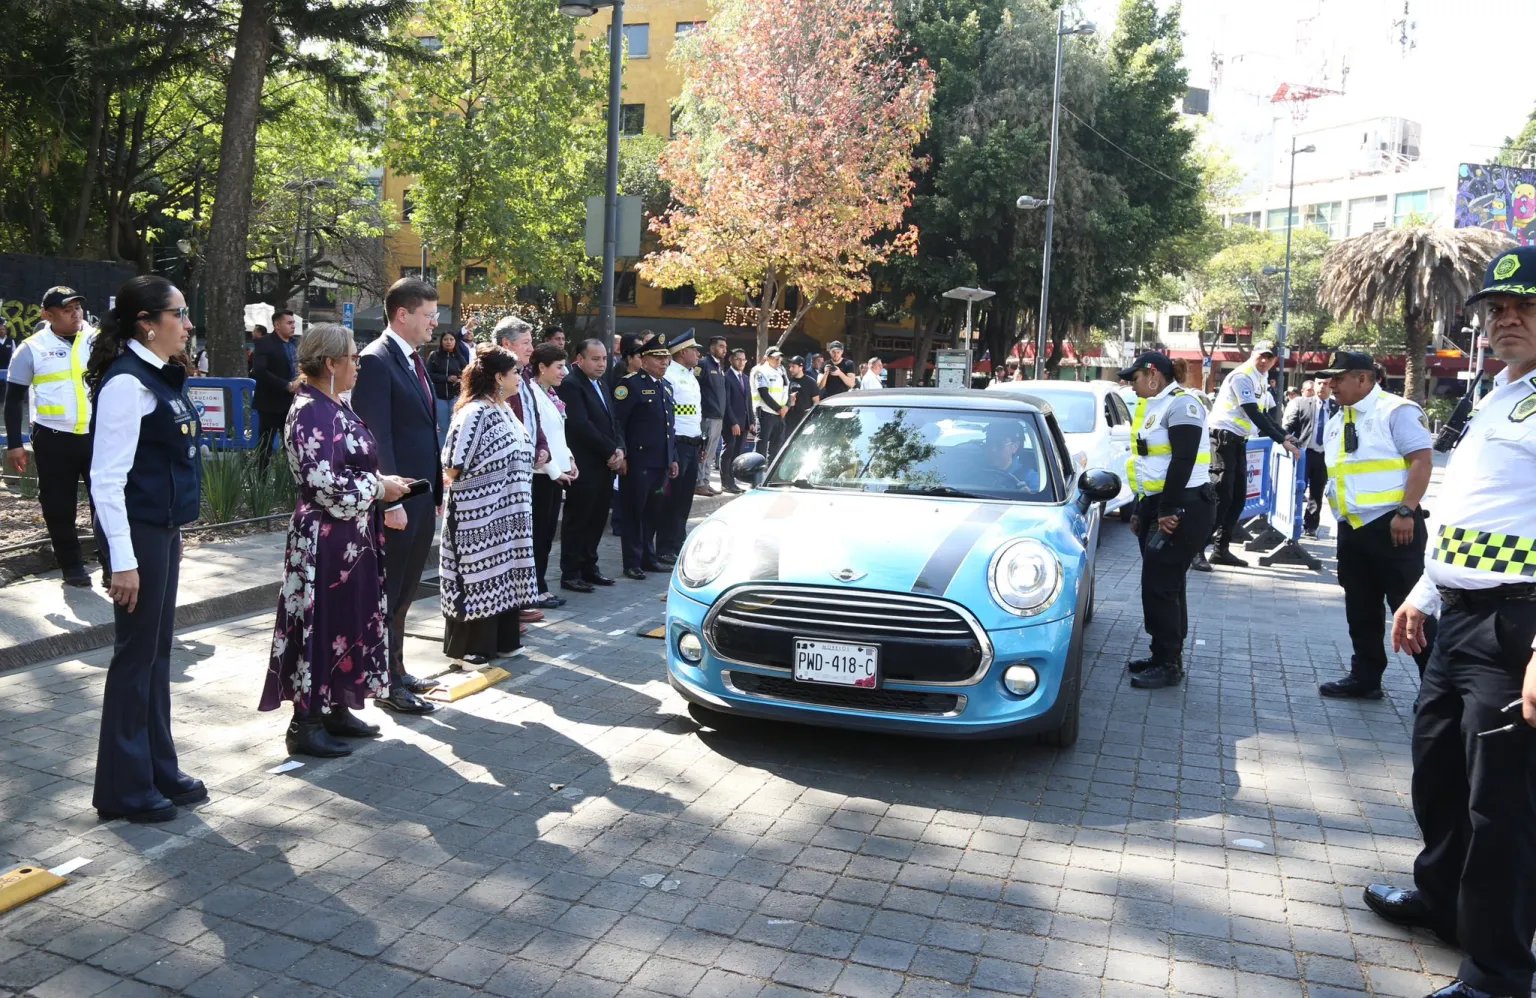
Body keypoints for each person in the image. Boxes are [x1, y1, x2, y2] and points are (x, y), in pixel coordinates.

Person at [1370, 248, 1536, 998]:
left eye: (1525, 305)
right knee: (1437, 773)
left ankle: (1497, 975)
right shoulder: (1498, 392)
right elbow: (1471, 509)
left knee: (1501, 808)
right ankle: (1443, 904)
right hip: (1458, 620)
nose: (1506, 319)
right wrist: (1425, 595)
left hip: (1517, 628)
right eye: (1497, 307)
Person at [86, 275, 206, 823]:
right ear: (146, 323)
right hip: (136, 537)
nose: (187, 324)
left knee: (157, 655)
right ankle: (124, 787)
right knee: (135, 659)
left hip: (161, 532)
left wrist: (172, 533)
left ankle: (158, 766)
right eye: (178, 315)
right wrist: (125, 561)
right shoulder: (125, 384)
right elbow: (106, 482)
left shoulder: (160, 376)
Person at [260, 323, 407, 757]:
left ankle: (337, 705)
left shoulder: (333, 403)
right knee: (320, 624)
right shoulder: (309, 410)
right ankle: (305, 722)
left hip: (350, 535)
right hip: (324, 537)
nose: (358, 365)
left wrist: (382, 481)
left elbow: (350, 467)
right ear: (330, 364)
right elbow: (325, 483)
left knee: (347, 620)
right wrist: (380, 490)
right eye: (353, 358)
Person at [1311, 351, 1436, 700]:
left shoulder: (1396, 411)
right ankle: (1365, 677)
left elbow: (1422, 462)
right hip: (1353, 528)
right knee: (1361, 608)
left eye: (1338, 378)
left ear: (1363, 378)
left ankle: (1436, 690)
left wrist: (1407, 511)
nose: (1330, 384)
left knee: (1411, 610)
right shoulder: (1339, 417)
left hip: (1395, 526)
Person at [350, 278, 443, 716]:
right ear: (402, 314)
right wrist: (391, 503)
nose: (435, 322)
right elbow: (377, 438)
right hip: (397, 501)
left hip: (420, 498)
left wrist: (435, 491)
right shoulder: (376, 361)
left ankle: (397, 668)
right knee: (388, 593)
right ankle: (384, 680)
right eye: (428, 314)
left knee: (405, 591)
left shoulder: (412, 360)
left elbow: (425, 430)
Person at [437, 344, 538, 666]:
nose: (520, 378)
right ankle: (473, 645)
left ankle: (503, 640)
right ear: (498, 377)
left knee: (506, 575)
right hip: (478, 515)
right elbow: (452, 463)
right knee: (478, 574)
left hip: (509, 515)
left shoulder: (504, 409)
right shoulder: (473, 412)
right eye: (515, 373)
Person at [1120, 353, 1215, 691]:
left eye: (1134, 379)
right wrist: (1139, 509)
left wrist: (1168, 510)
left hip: (1184, 505)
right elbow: (1147, 464)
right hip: (1160, 504)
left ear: (1153, 375)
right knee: (1166, 585)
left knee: (1160, 585)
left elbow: (1184, 459)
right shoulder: (1154, 406)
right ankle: (1165, 655)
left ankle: (1167, 664)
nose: (1131, 386)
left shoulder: (1182, 404)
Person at [4, 285, 108, 588]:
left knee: (107, 502)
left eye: (78, 307)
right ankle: (72, 566)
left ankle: (111, 565)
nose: (75, 313)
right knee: (58, 506)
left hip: (97, 434)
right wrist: (14, 443)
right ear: (47, 315)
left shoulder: (99, 340)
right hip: (53, 437)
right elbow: (13, 399)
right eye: (67, 309)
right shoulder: (31, 348)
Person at [1206, 342, 1300, 566]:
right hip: (1222, 439)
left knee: (1238, 500)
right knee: (1222, 498)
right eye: (1262, 356)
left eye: (1270, 358)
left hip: (1239, 441)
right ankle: (1196, 550)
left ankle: (1221, 550)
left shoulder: (1261, 377)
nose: (1265, 361)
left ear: (1275, 360)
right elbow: (1252, 413)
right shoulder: (1243, 376)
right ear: (1253, 355)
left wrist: (1284, 435)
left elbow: (1264, 414)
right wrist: (1281, 441)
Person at [493, 316, 552, 627]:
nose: (532, 348)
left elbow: (533, 417)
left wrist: (541, 444)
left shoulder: (524, 376)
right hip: (505, 476)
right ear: (507, 344)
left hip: (527, 470)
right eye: (526, 343)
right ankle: (508, 608)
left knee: (522, 540)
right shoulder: (495, 377)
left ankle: (518, 602)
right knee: (507, 542)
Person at [557, 338, 623, 593]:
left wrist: (619, 448)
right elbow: (581, 425)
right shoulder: (572, 385)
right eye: (595, 359)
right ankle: (571, 572)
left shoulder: (602, 384)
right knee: (578, 519)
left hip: (605, 462)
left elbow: (612, 420)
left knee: (597, 518)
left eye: (604, 358)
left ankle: (589, 566)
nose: (601, 363)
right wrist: (609, 449)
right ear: (580, 359)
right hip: (585, 463)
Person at [614, 333, 677, 579]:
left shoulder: (666, 386)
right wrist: (624, 455)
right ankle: (632, 561)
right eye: (658, 358)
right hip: (638, 462)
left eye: (666, 358)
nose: (664, 363)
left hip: (660, 461)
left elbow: (669, 427)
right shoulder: (629, 384)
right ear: (644, 359)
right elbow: (619, 424)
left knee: (653, 512)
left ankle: (648, 557)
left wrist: (672, 458)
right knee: (634, 512)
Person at [528, 342, 576, 608]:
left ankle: (542, 584)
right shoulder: (533, 394)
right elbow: (537, 437)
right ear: (542, 367)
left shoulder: (550, 394)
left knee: (546, 534)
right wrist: (555, 471)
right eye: (558, 367)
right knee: (538, 534)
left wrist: (569, 459)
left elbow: (557, 433)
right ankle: (535, 587)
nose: (564, 372)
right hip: (540, 474)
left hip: (555, 473)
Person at [658, 332, 704, 561]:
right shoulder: (670, 377)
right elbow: (670, 415)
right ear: (683, 352)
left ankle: (678, 540)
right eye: (694, 350)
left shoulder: (691, 377)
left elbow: (693, 412)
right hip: (678, 443)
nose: (698, 354)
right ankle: (665, 546)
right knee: (671, 498)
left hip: (693, 443)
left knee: (685, 498)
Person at [1284, 379, 1336, 538]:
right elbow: (1288, 427)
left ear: (1331, 386)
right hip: (1304, 453)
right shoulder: (1303, 404)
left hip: (1324, 456)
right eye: (1319, 383)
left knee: (1317, 492)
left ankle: (1311, 525)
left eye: (1326, 383)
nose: (1322, 386)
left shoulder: (1337, 407)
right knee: (1297, 489)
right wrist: (1289, 442)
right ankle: (1290, 521)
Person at [252, 310, 301, 467]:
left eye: (293, 323)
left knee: (292, 445)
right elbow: (259, 371)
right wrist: (285, 385)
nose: (293, 326)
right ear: (277, 325)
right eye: (289, 323)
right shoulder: (265, 343)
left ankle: (290, 481)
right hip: (270, 404)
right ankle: (261, 481)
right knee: (265, 445)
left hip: (292, 403)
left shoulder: (296, 343)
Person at [697, 335, 729, 496]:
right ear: (712, 348)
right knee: (704, 451)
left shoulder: (719, 367)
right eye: (721, 346)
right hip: (708, 415)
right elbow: (697, 387)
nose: (725, 349)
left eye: (725, 346)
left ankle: (706, 481)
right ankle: (699, 482)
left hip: (718, 416)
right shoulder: (703, 364)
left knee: (710, 453)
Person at [721, 348, 751, 493]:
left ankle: (733, 481)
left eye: (743, 359)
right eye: (738, 358)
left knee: (737, 452)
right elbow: (726, 402)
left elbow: (748, 401)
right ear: (731, 360)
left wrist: (751, 420)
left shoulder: (745, 378)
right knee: (729, 451)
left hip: (744, 422)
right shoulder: (727, 377)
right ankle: (726, 482)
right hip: (731, 423)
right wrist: (733, 422)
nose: (741, 362)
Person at [752, 347, 790, 461]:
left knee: (777, 448)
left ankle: (771, 474)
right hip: (766, 413)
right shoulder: (761, 371)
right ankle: (757, 475)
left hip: (780, 415)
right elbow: (764, 393)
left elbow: (786, 390)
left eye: (780, 358)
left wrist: (786, 407)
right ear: (768, 358)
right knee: (761, 448)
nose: (778, 360)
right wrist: (779, 409)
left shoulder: (782, 370)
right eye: (775, 358)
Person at [426, 329, 464, 437]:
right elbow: (429, 374)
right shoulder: (434, 355)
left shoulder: (459, 357)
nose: (448, 342)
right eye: (445, 339)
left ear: (455, 342)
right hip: (439, 396)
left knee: (455, 425)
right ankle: (442, 452)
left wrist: (459, 379)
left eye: (451, 339)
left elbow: (467, 374)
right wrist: (446, 378)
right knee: (443, 427)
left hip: (455, 397)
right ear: (441, 341)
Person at [785, 355, 819, 435]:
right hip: (790, 419)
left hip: (805, 419)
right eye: (790, 367)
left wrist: (812, 417)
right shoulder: (788, 381)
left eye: (793, 367)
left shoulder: (811, 382)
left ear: (801, 367)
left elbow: (816, 402)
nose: (790, 369)